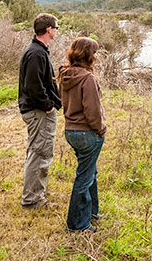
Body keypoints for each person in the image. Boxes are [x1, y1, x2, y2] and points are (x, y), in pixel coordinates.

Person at [58, 37, 107, 232]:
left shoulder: (65, 74)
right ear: (87, 54)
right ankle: (77, 225)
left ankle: (91, 213)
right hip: (87, 133)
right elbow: (92, 111)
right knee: (84, 177)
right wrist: (100, 129)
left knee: (90, 172)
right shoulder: (87, 78)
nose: (95, 56)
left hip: (71, 131)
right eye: (94, 52)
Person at [18, 13, 62, 208]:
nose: (56, 31)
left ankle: (36, 191)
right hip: (38, 111)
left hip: (37, 110)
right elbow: (33, 86)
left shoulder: (39, 50)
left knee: (37, 151)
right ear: (48, 30)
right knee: (40, 153)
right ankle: (32, 199)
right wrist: (48, 106)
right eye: (56, 27)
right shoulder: (36, 53)